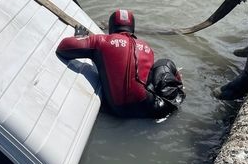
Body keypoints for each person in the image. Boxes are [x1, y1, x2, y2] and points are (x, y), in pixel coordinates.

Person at [56, 9, 185, 118]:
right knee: (164, 63)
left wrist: (79, 37)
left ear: (111, 27)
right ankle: (178, 92)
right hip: (151, 110)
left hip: (114, 110)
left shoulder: (101, 41)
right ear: (132, 28)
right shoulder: (146, 48)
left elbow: (63, 48)